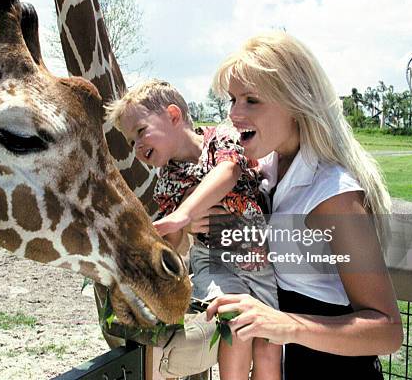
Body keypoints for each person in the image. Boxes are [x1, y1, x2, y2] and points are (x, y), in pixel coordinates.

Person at [198, 31, 403, 379]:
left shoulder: (333, 194)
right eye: (232, 100)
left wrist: (284, 324)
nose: (234, 113)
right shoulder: (268, 170)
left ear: (295, 103)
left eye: (251, 100)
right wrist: (204, 225)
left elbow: (387, 331)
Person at [105, 79, 281, 380]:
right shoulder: (167, 181)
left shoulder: (222, 137)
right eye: (131, 141)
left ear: (173, 116)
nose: (136, 148)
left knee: (268, 344)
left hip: (260, 261)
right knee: (235, 324)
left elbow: (228, 172)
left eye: (140, 132)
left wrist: (183, 214)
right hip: (214, 261)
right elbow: (173, 240)